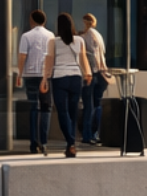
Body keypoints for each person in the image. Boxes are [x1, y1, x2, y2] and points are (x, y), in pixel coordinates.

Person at [43, 13, 88, 158]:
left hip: (59, 78)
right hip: (76, 78)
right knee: (73, 112)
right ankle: (71, 143)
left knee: (62, 112)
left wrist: (45, 79)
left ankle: (70, 143)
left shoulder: (53, 41)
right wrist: (88, 73)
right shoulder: (79, 40)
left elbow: (49, 61)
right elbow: (83, 58)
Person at [17, 9, 54, 154]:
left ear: (32, 21)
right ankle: (44, 141)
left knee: (33, 108)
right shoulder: (51, 35)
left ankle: (34, 143)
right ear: (44, 21)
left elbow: (22, 56)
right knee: (46, 108)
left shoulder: (26, 36)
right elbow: (51, 56)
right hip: (46, 75)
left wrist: (19, 74)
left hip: (31, 76)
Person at [80, 12, 110, 145]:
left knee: (88, 105)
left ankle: (87, 135)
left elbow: (90, 55)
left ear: (85, 22)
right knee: (97, 105)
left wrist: (89, 72)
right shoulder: (98, 35)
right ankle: (96, 133)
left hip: (92, 73)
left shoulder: (87, 36)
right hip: (102, 73)